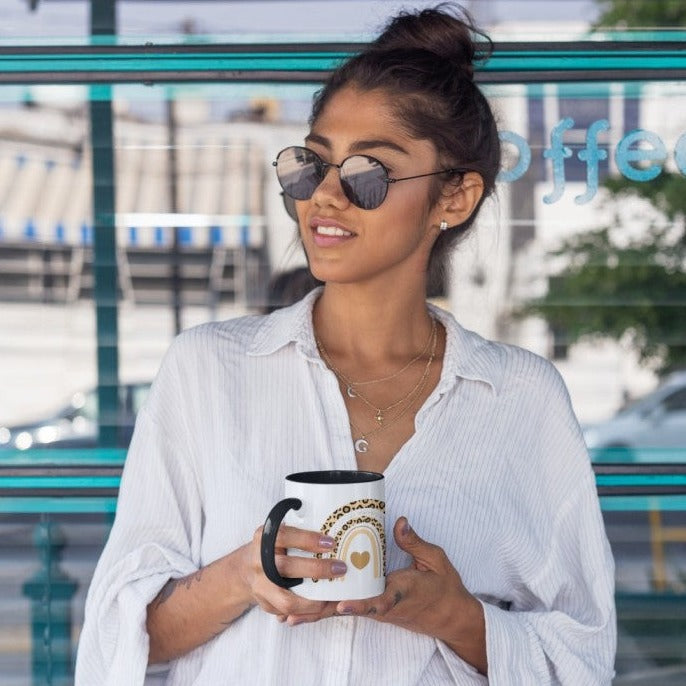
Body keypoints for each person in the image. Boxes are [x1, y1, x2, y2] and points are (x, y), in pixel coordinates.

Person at [75, 4, 616, 684]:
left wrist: (451, 615)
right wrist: (245, 575)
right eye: (312, 165)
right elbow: (121, 639)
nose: (324, 196)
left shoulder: (520, 398)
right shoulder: (209, 370)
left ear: (455, 197)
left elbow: (580, 660)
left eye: (369, 173)